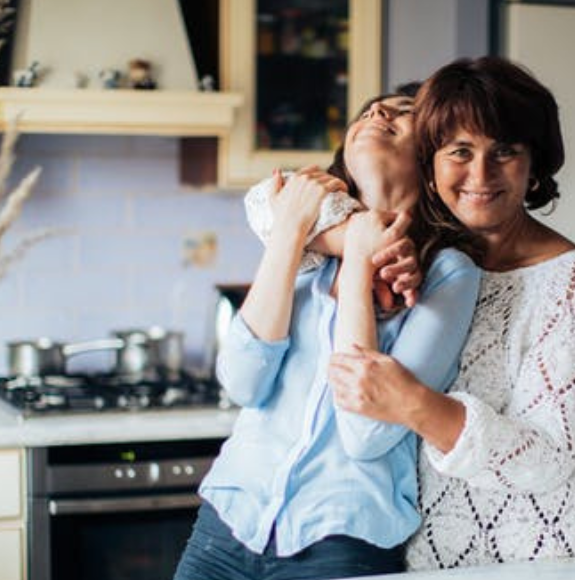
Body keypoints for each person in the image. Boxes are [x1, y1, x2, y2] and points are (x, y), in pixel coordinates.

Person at [173, 85, 482, 580]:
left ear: (431, 163)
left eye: (403, 114)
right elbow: (243, 382)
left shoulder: (447, 275)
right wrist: (291, 233)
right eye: (372, 109)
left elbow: (367, 433)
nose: (379, 111)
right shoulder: (310, 249)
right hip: (227, 525)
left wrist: (361, 257)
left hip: (342, 544)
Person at [324, 56, 575, 569]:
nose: (480, 174)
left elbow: (549, 457)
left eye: (504, 151)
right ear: (430, 164)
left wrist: (414, 403)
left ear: (533, 166)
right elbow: (271, 206)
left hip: (547, 555)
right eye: (459, 151)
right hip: (427, 557)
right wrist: (343, 239)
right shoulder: (418, 255)